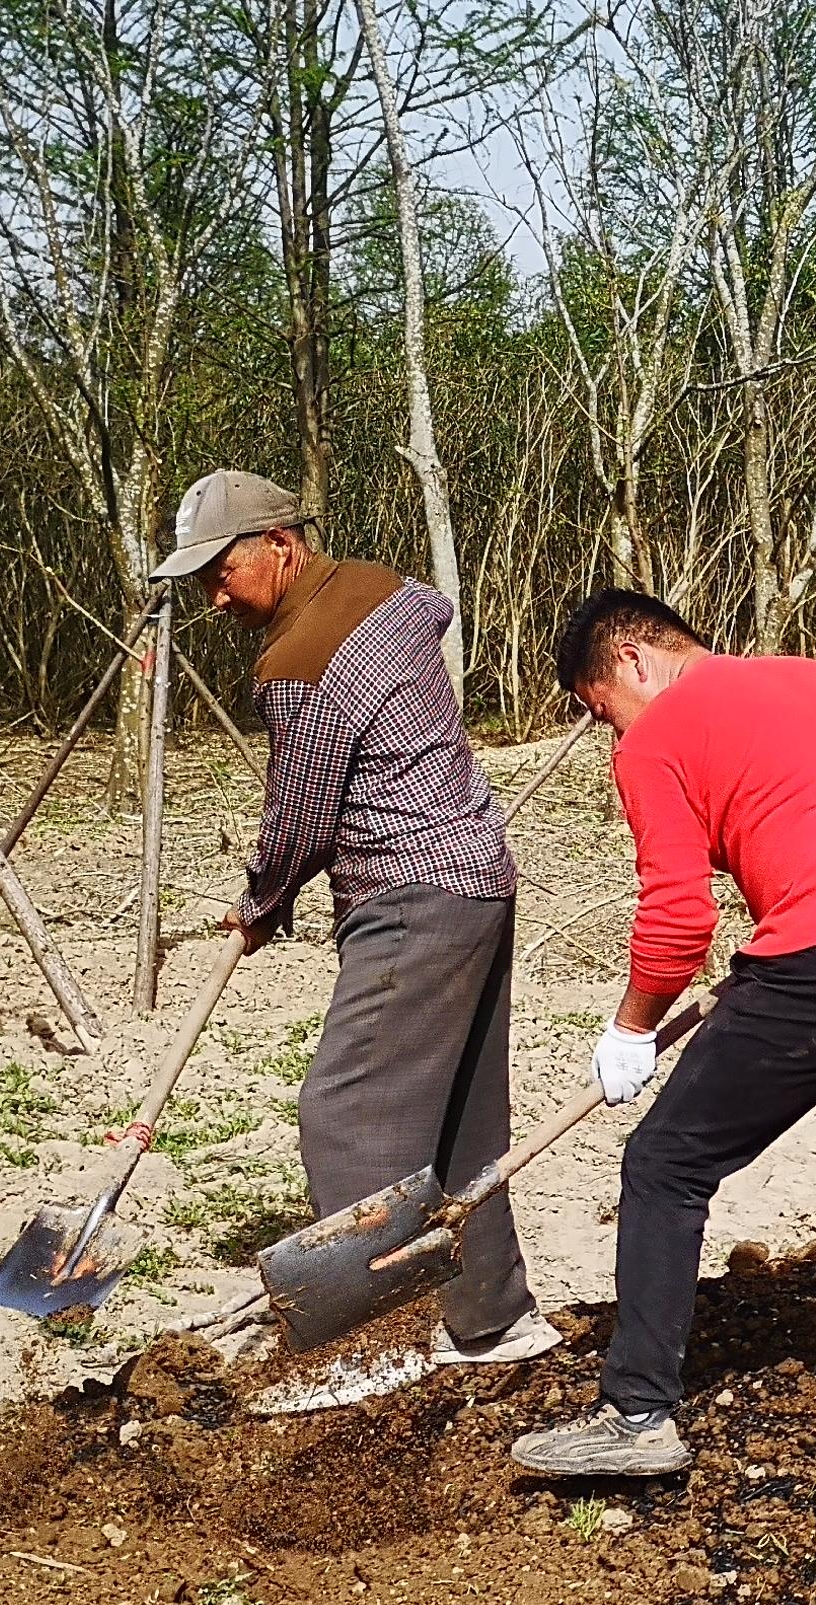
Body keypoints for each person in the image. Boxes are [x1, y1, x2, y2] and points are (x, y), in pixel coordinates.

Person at [508, 590, 816, 1481]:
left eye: (600, 708)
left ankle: (637, 1413)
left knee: (665, 1165)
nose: (611, 735)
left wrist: (631, 1028)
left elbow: (680, 915)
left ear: (636, 661)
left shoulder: (656, 737)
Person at [149, 467, 555, 1371]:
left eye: (221, 571)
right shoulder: (393, 597)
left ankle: (381, 1348)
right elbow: (431, 616)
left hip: (408, 894)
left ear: (282, 547)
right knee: (459, 1121)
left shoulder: (298, 663)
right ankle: (495, 1322)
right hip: (481, 878)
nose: (214, 598)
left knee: (348, 1111)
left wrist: (261, 902)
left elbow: (300, 815)